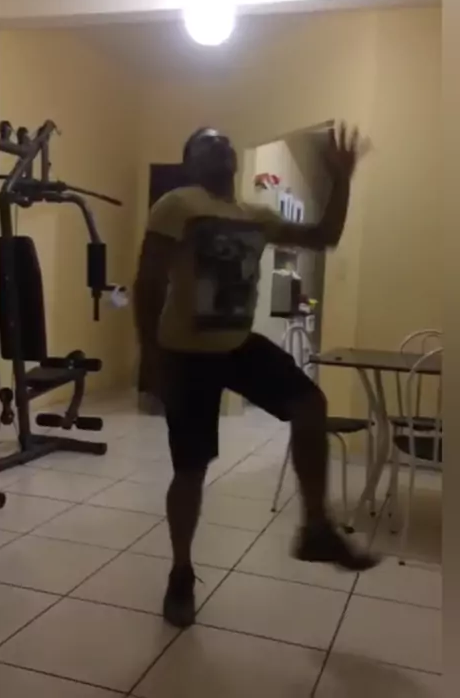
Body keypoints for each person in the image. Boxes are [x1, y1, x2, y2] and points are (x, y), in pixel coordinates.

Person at [134, 124, 378, 629]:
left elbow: (324, 237)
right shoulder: (177, 205)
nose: (220, 146)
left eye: (224, 141)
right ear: (191, 161)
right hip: (186, 353)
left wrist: (342, 179)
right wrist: (151, 357)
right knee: (191, 469)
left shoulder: (255, 214)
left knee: (310, 404)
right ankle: (181, 572)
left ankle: (315, 528)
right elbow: (148, 280)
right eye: (206, 142)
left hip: (238, 344)